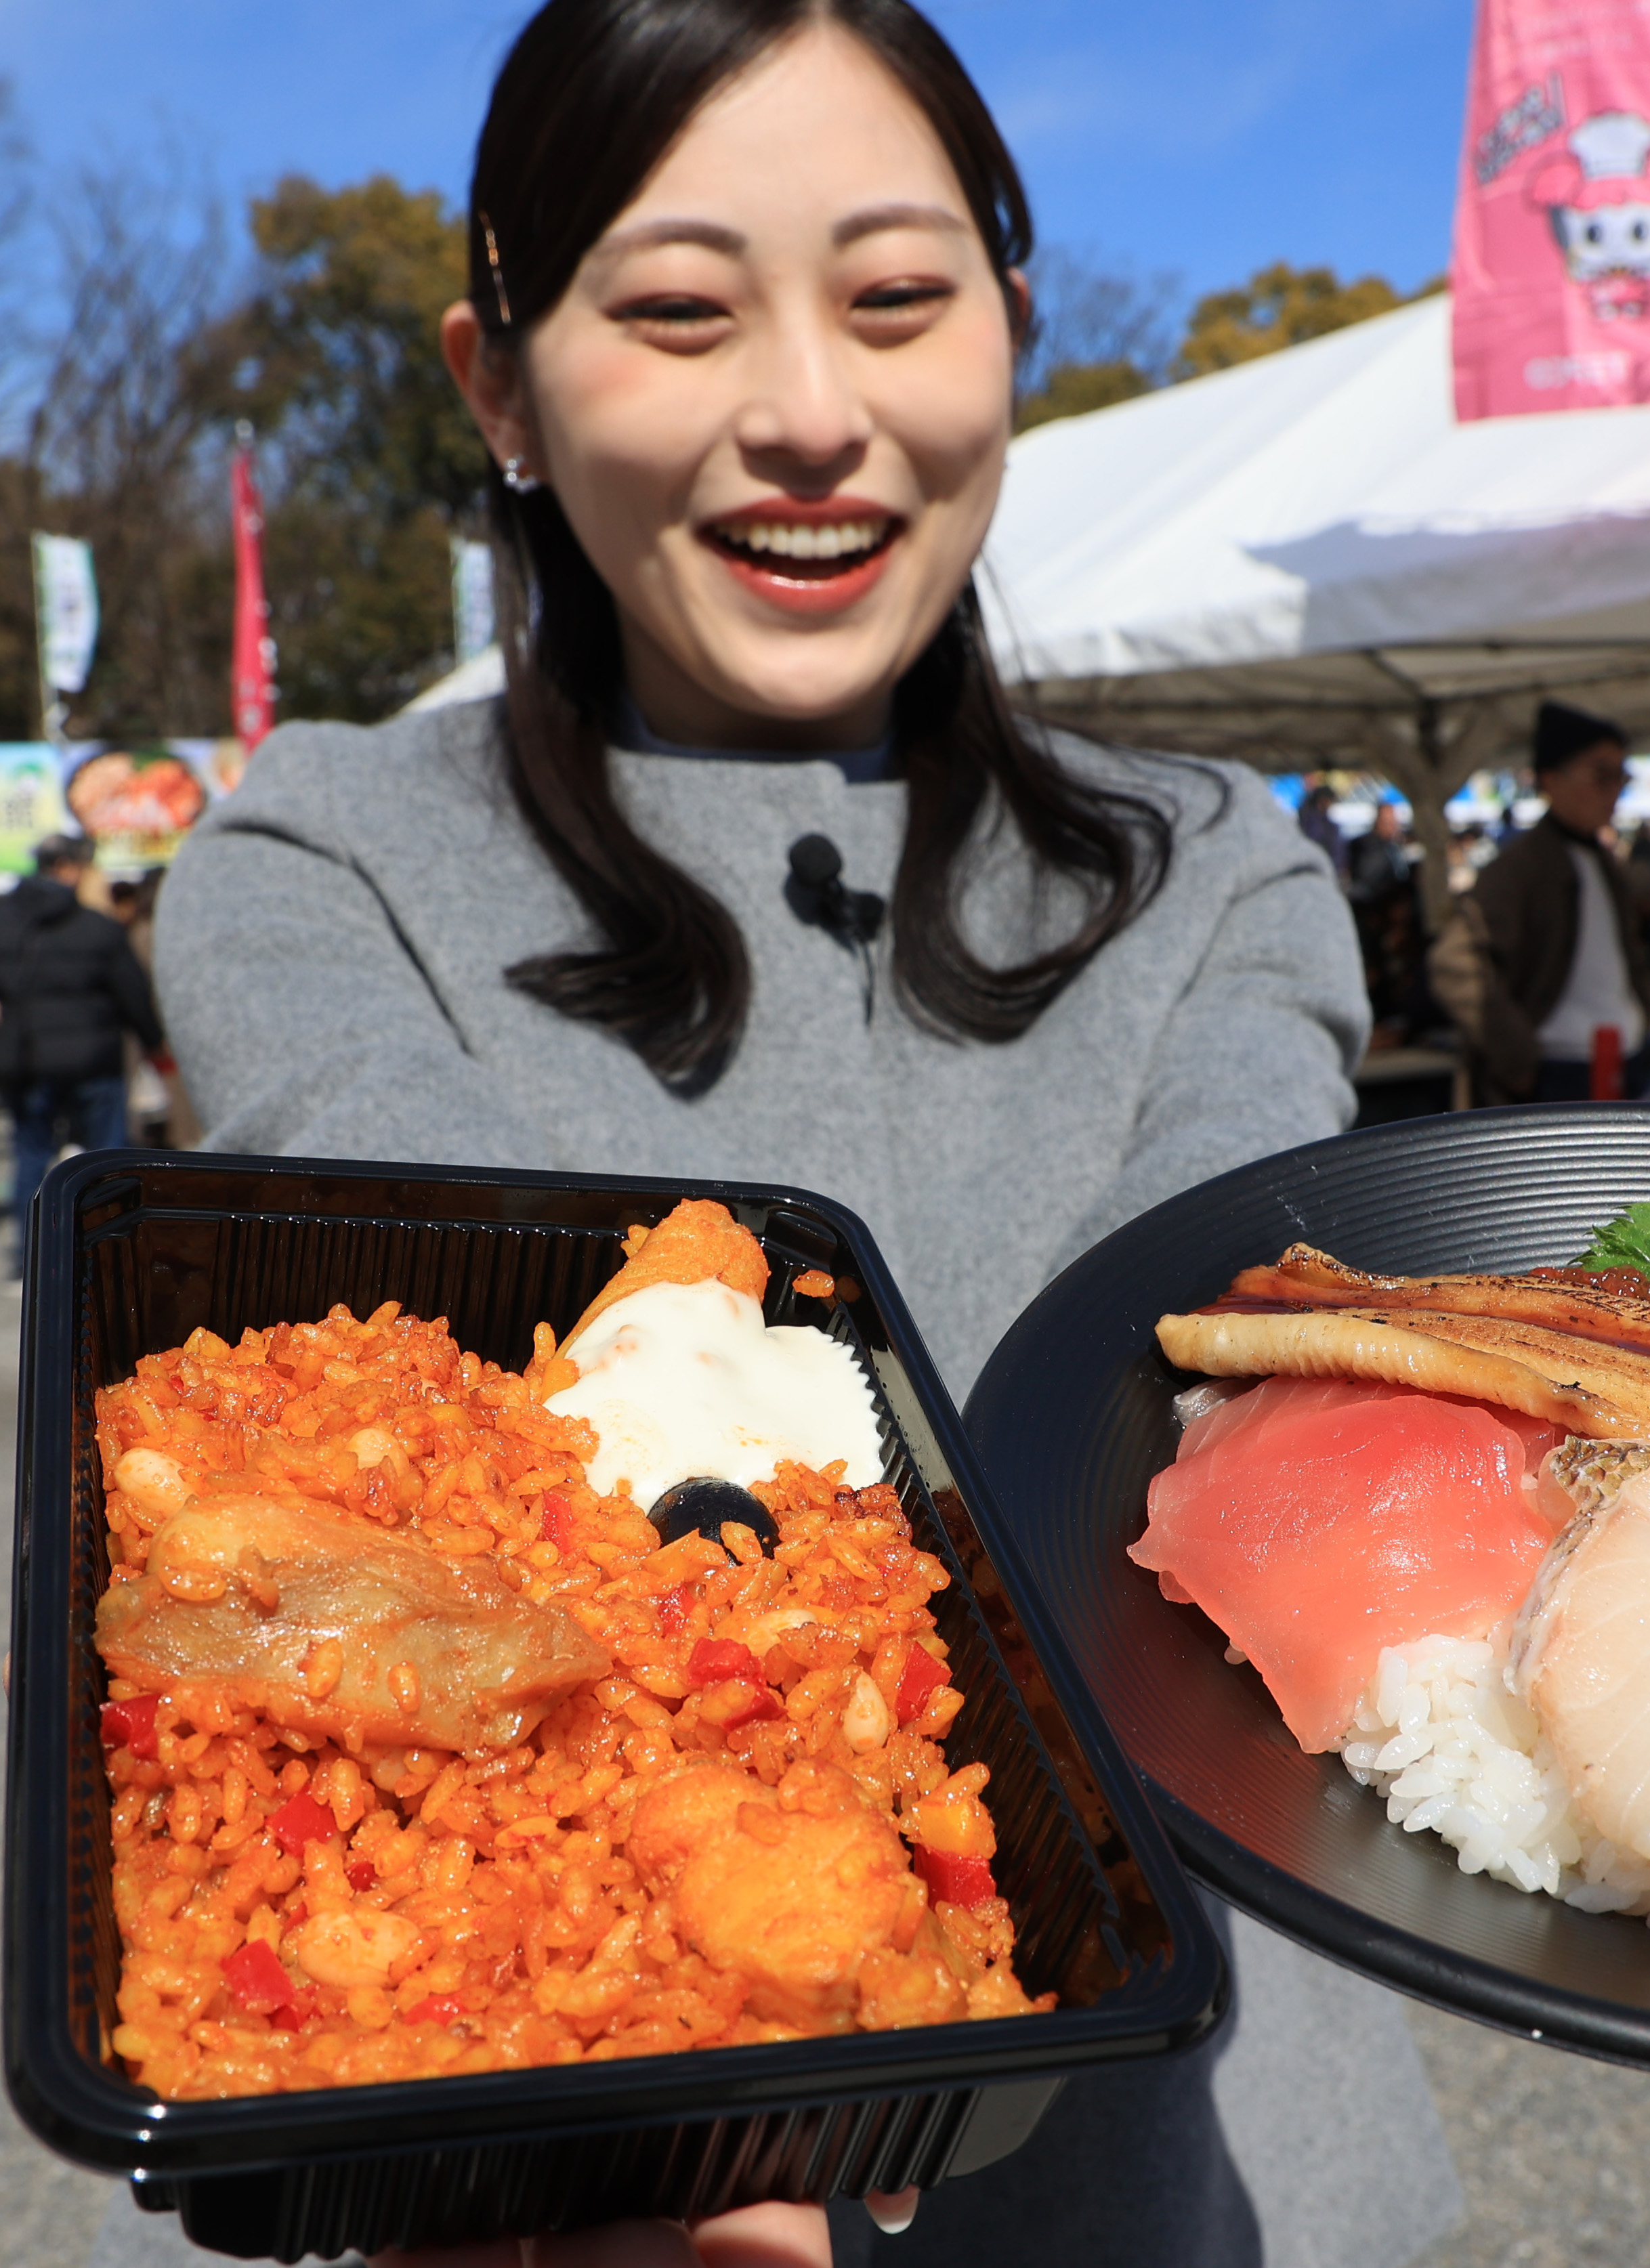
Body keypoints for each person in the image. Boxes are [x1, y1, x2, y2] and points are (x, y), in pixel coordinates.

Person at [140, 8, 1452, 2267]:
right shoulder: (317, 856)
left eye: (897, 295)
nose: (814, 410)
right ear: (496, 385)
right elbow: (474, 1378)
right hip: (512, 2111)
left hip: (1188, 2143)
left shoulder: (1217, 870)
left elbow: (1192, 1373)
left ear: (1010, 334)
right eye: (679, 309)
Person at [0, 833, 162, 1281]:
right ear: (67, 868)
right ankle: (114, 1258)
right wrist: (152, 1039)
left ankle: (29, 1260)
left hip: (28, 1058)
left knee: (30, 1156)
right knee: (109, 1158)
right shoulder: (96, 927)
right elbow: (133, 992)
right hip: (95, 1055)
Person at [1427, 700, 1650, 1104]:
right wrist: (1517, 1057)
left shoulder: (1604, 863)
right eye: (1602, 776)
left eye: (1621, 777)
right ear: (1552, 780)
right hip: (1559, 1073)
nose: (1615, 790)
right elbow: (1455, 963)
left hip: (1621, 1062)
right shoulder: (1522, 866)